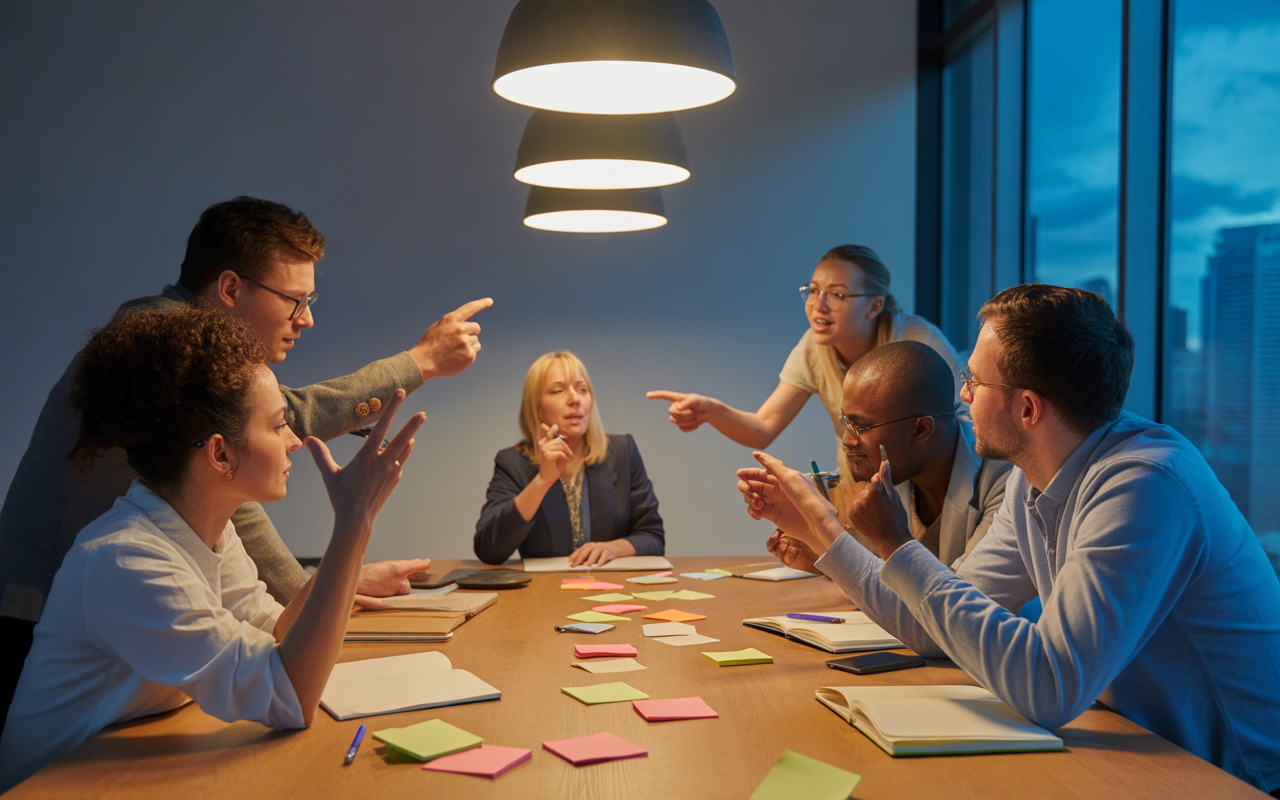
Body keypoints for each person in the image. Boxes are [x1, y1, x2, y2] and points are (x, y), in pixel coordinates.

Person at [742, 284, 1280, 794]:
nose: (962, 396)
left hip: (1226, 777)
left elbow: (1049, 687)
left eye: (974, 382)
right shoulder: (1033, 476)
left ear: (1027, 408)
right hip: (1137, 747)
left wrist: (895, 546)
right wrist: (819, 526)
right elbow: (931, 630)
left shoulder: (1144, 485)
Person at [0, 196, 491, 734]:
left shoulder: (195, 507)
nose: (306, 319)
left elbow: (230, 509)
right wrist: (418, 363)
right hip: (42, 606)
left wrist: (334, 578)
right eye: (294, 300)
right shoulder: (154, 339)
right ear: (231, 287)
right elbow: (279, 427)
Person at [0, 306, 427, 791]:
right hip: (49, 786)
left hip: (119, 770)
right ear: (220, 453)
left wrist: (351, 528)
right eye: (278, 424)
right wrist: (354, 522)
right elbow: (287, 697)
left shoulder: (210, 531)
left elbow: (277, 635)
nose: (293, 442)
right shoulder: (126, 560)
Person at [647, 244, 961, 506]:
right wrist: (711, 411)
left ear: (874, 306)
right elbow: (763, 427)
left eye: (837, 295)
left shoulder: (920, 344)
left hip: (930, 497)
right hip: (862, 492)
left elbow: (962, 426)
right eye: (813, 291)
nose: (817, 305)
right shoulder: (814, 348)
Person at [746, 341, 1011, 573]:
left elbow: (957, 609)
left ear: (920, 429)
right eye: (845, 422)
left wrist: (830, 524)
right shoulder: (894, 471)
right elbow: (879, 579)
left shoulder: (1005, 484)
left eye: (860, 427)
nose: (848, 440)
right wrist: (814, 543)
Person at [474, 351, 664, 567]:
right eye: (557, 391)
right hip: (544, 592)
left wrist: (612, 548)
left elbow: (653, 537)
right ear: (536, 405)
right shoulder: (513, 462)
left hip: (611, 588)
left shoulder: (623, 451)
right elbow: (488, 550)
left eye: (582, 389)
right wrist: (542, 481)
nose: (575, 399)